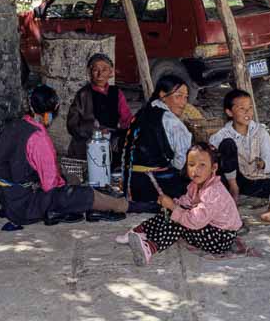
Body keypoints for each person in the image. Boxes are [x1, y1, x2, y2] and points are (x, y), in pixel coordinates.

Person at [0, 84, 130, 228]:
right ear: (55, 108)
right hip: (24, 206)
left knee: (66, 180)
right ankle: (120, 205)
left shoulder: (12, 125)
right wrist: (65, 188)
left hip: (3, 196)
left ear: (30, 105)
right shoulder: (39, 138)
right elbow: (50, 186)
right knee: (78, 192)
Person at [119, 143, 242, 265]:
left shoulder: (214, 192)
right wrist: (171, 204)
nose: (195, 170)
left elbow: (194, 221)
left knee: (179, 220)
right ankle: (139, 232)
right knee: (171, 211)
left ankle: (150, 248)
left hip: (220, 238)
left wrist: (173, 206)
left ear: (213, 168)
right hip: (208, 227)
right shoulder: (195, 185)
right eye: (191, 165)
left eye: (202, 165)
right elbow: (186, 201)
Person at [210, 89, 270, 222]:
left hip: (251, 181)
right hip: (229, 182)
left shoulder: (260, 132)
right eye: (241, 108)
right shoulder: (221, 135)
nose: (247, 112)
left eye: (250, 108)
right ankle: (233, 190)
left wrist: (263, 164)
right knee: (228, 144)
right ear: (229, 112)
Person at [122, 75, 192, 210]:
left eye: (185, 97)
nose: (183, 102)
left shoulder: (140, 113)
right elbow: (180, 162)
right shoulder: (172, 121)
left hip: (132, 186)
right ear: (163, 95)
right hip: (154, 185)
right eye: (178, 96)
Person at [66, 53, 132, 166]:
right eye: (96, 69)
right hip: (87, 146)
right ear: (90, 73)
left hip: (111, 143)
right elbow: (72, 124)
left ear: (111, 73)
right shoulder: (83, 94)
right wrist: (96, 131)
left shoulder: (117, 93)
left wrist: (133, 128)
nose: (100, 73)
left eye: (104, 69)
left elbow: (127, 118)